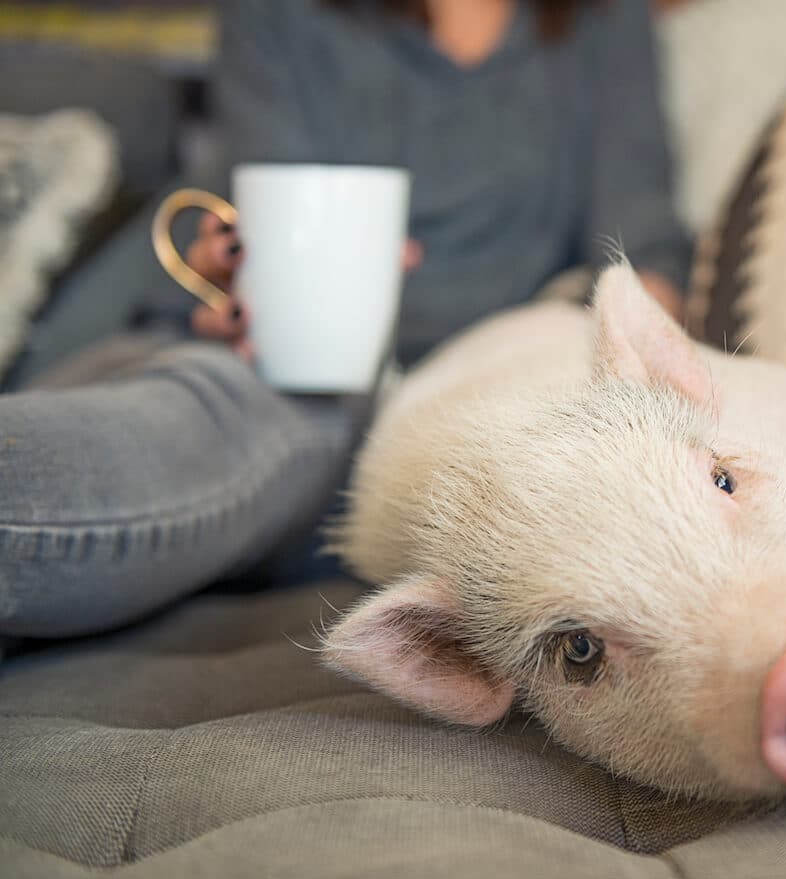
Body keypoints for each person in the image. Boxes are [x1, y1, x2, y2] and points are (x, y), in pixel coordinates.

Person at [0, 0, 690, 640]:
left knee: (267, 414)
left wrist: (629, 413)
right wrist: (235, 276)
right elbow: (253, 213)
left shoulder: (600, 22)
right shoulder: (282, 16)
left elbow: (641, 250)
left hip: (399, 398)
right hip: (211, 352)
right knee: (234, 399)